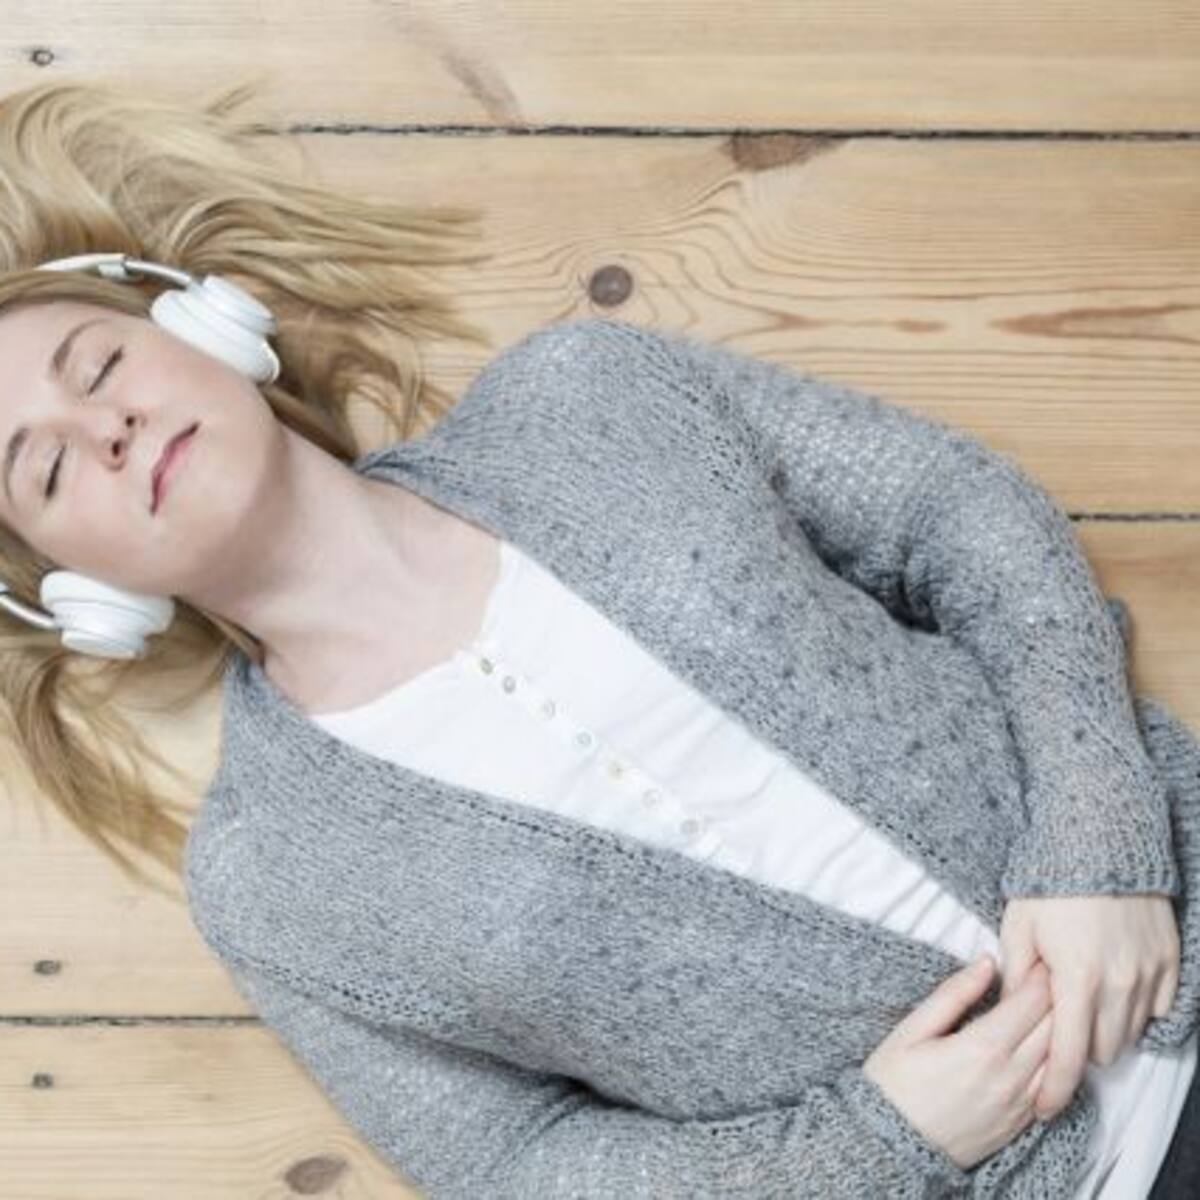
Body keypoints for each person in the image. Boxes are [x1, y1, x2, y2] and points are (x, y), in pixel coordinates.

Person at [0, 78, 1197, 1198]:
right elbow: (510, 1165)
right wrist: (878, 1143)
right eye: (45, 468)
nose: (106, 428)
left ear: (209, 328)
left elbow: (953, 512)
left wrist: (1101, 847)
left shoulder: (587, 398)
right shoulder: (269, 881)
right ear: (71, 592)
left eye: (98, 364)